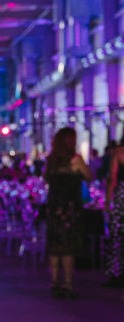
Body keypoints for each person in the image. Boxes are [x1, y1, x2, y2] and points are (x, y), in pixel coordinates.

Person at [43, 127, 92, 298]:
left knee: (55, 247)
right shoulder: (75, 159)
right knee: (68, 248)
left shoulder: (51, 160)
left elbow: (45, 179)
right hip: (69, 208)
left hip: (54, 207)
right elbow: (88, 177)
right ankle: (68, 284)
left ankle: (54, 282)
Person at [104, 137, 124, 287]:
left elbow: (113, 178)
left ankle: (116, 272)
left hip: (121, 196)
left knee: (118, 234)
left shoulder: (119, 152)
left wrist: (107, 201)